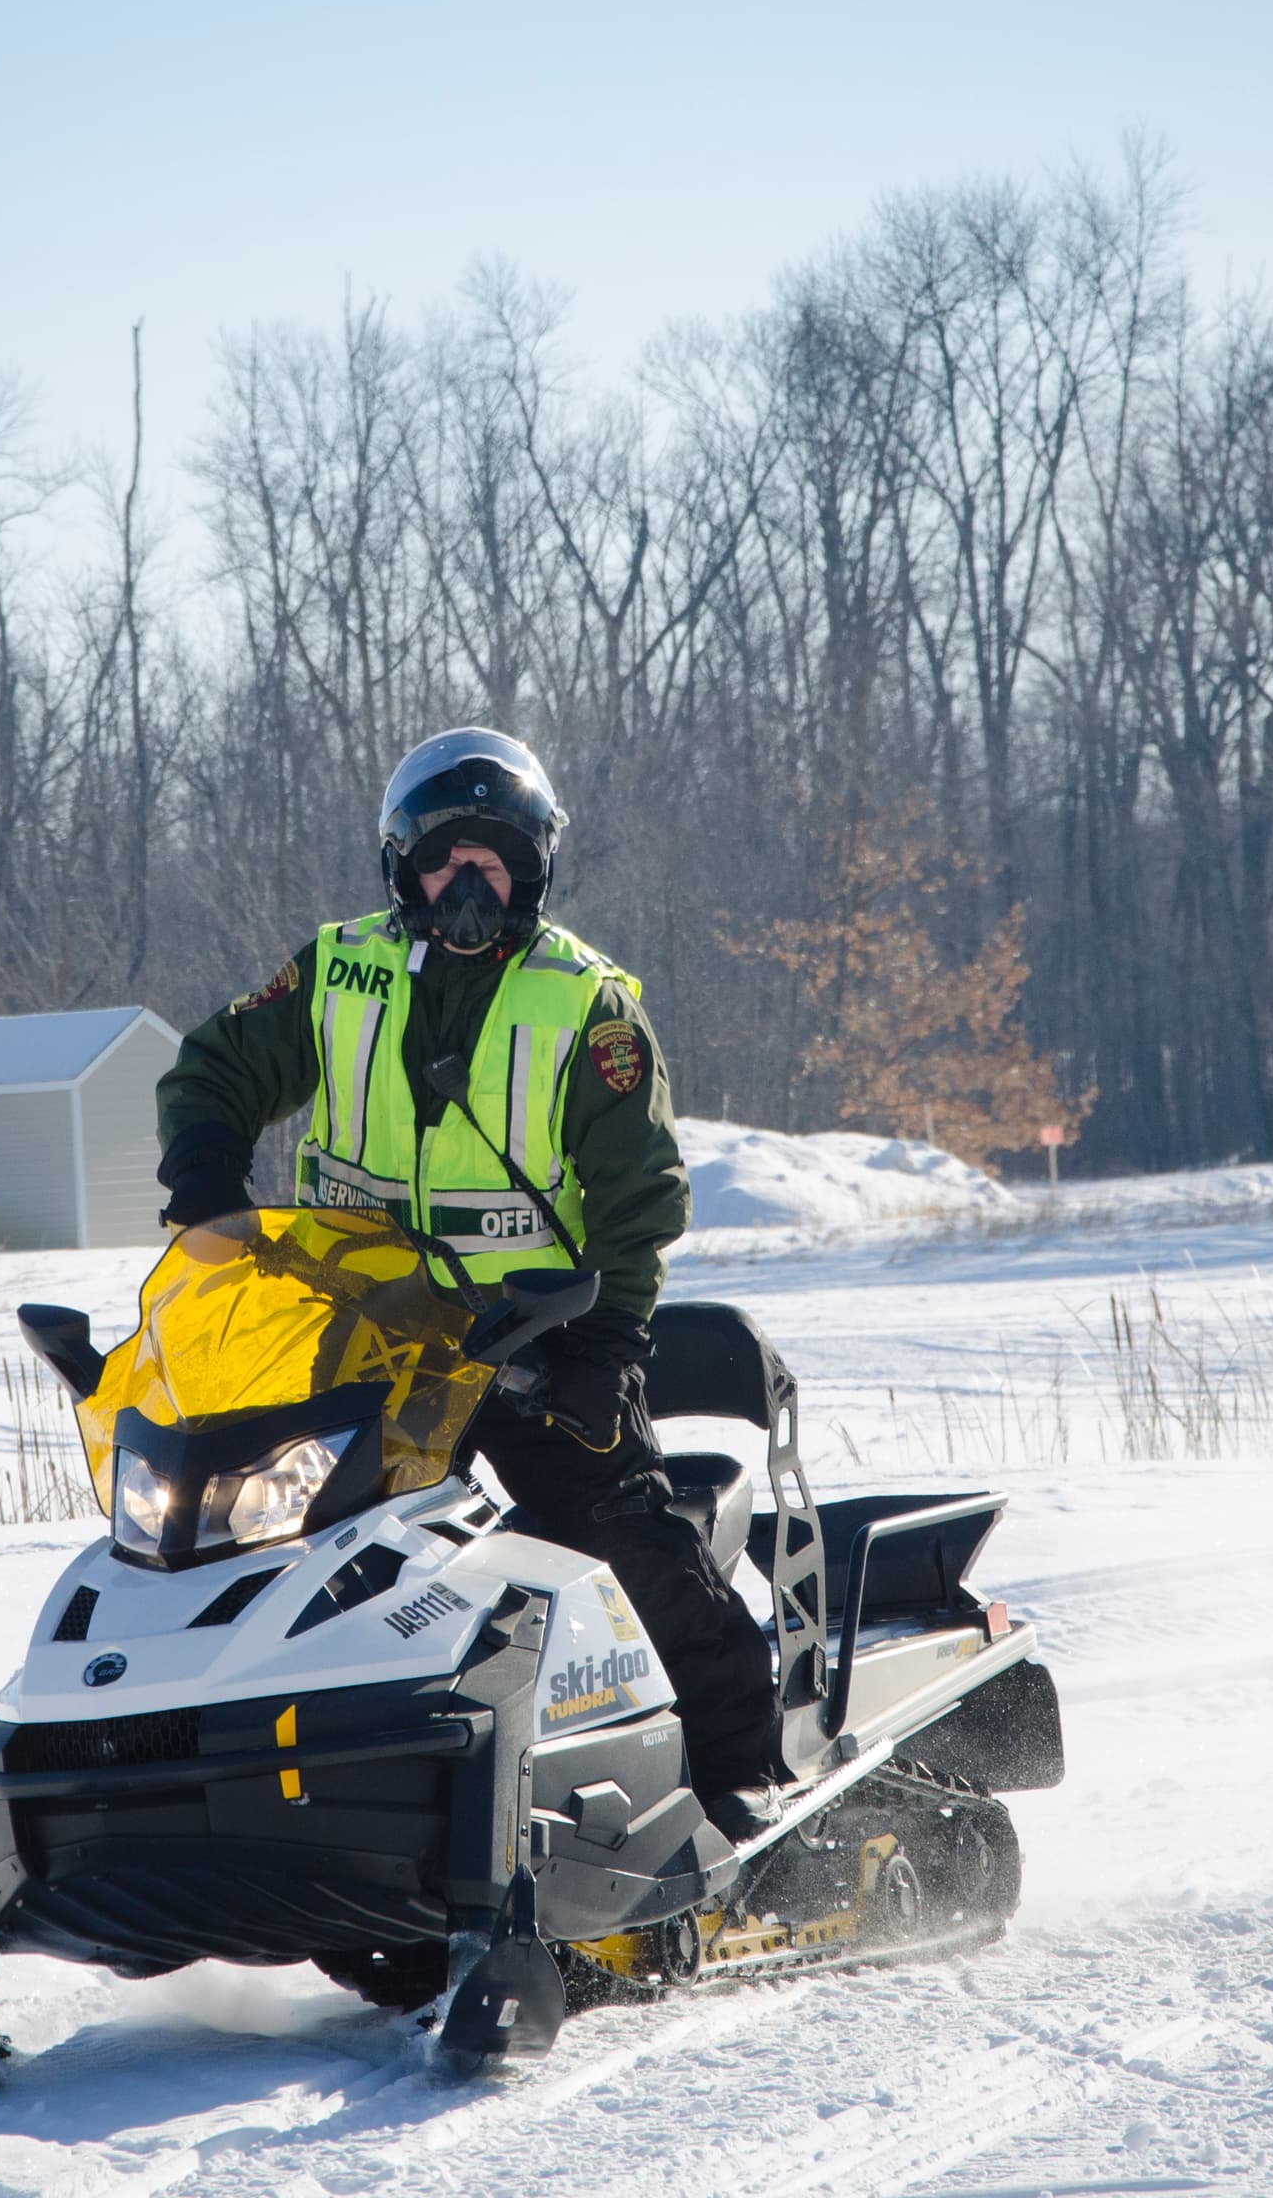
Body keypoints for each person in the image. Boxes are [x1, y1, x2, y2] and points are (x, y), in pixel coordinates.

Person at [154, 726, 784, 1838]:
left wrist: (605, 1344)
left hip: (536, 1349)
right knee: (266, 1552)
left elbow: (643, 1198)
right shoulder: (339, 972)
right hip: (364, 1343)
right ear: (403, 866)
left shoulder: (583, 1006)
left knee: (619, 1532)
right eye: (447, 858)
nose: (468, 884)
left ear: (535, 868)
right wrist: (206, 1184)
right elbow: (216, 1067)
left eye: (494, 860)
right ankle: (259, 1791)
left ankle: (744, 1769)